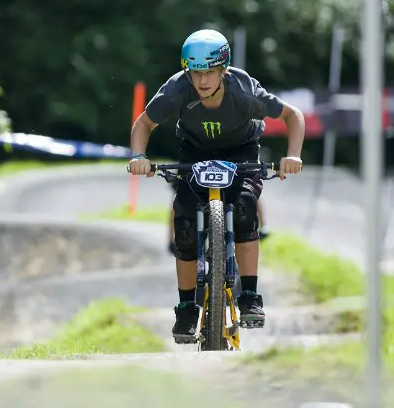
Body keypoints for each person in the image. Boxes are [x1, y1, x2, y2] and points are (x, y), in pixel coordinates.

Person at [128, 28, 305, 341]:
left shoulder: (245, 91)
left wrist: (292, 156)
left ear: (224, 70)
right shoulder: (176, 90)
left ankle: (249, 296)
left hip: (241, 151)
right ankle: (186, 309)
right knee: (183, 220)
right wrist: (139, 155)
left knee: (246, 208)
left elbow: (293, 116)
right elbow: (144, 123)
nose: (202, 81)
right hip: (195, 150)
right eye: (195, 73)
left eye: (210, 72)